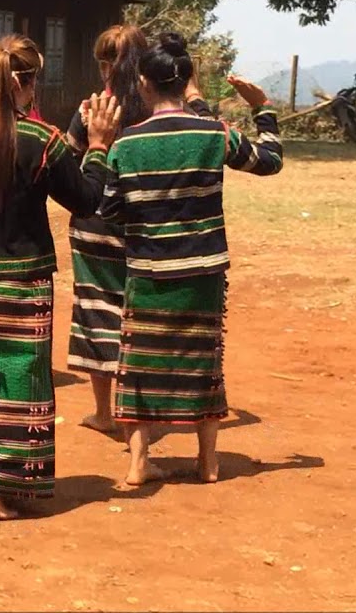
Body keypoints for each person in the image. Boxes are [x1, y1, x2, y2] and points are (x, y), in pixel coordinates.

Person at [0, 34, 117, 520]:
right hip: (25, 280)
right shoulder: (43, 140)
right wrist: (98, 146)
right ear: (29, 82)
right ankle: (2, 482)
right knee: (22, 378)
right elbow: (86, 199)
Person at [94, 32, 283, 486]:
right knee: (203, 362)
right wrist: (264, 109)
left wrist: (100, 150)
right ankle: (208, 461)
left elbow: (109, 209)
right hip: (203, 271)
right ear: (187, 81)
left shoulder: (127, 144)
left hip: (148, 271)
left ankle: (138, 462)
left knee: (139, 364)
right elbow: (270, 160)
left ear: (143, 83)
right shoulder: (214, 133)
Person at [63, 24, 149, 434]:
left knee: (95, 311)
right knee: (136, 313)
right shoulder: (156, 110)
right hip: (143, 226)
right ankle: (139, 410)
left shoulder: (92, 108)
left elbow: (67, 158)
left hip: (95, 221)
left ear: (103, 66)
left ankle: (103, 411)